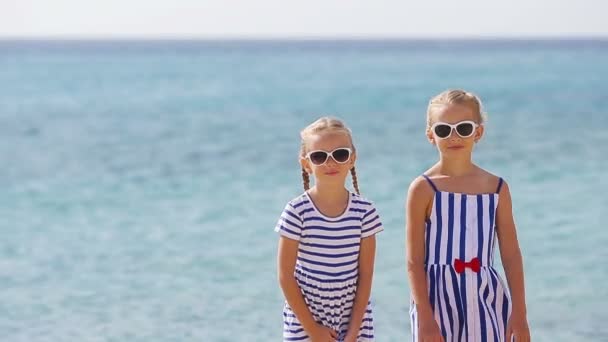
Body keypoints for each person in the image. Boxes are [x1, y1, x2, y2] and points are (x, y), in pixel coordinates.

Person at [405, 90, 531, 342]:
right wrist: (425, 319)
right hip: (437, 302)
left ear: (478, 132)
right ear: (431, 136)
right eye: (444, 130)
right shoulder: (423, 188)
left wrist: (520, 313)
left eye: (463, 128)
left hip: (487, 297)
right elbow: (414, 261)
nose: (454, 136)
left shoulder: (496, 188)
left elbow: (511, 254)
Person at [276, 117, 384, 342]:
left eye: (340, 154)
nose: (330, 162)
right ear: (307, 164)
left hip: (354, 320)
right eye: (319, 156)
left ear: (352, 159)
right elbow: (286, 276)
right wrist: (314, 330)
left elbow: (365, 276)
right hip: (305, 322)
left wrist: (353, 332)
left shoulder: (365, 212)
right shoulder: (297, 211)